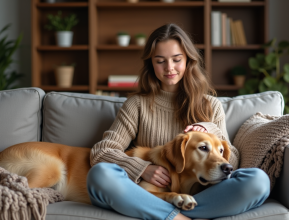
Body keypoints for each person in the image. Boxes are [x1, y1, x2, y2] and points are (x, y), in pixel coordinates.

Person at [87, 23, 270, 220]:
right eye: (160, 61)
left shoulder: (210, 106)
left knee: (258, 180)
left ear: (188, 60)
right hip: (154, 193)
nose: (169, 68)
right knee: (100, 175)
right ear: (151, 64)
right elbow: (102, 152)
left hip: (201, 195)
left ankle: (169, 215)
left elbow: (231, 161)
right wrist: (143, 169)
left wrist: (211, 130)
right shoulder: (137, 105)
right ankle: (177, 217)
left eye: (176, 59)